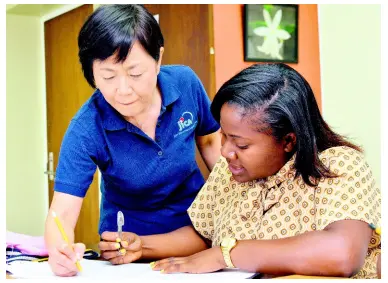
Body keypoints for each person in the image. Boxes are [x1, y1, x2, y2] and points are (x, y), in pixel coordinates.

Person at [120, 63, 379, 278]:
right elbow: (204, 234)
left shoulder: (338, 165)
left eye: (241, 144)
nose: (225, 152)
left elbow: (343, 253)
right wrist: (142, 246)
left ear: (288, 141)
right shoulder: (230, 169)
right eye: (224, 136)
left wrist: (228, 254)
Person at [44, 4, 221, 277]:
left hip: (198, 231)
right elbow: (62, 214)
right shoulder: (86, 128)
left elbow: (209, 141)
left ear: (158, 59)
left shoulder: (186, 83)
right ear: (92, 74)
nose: (123, 90)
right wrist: (59, 252)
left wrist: (228, 201)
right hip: (130, 248)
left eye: (135, 74)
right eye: (108, 76)